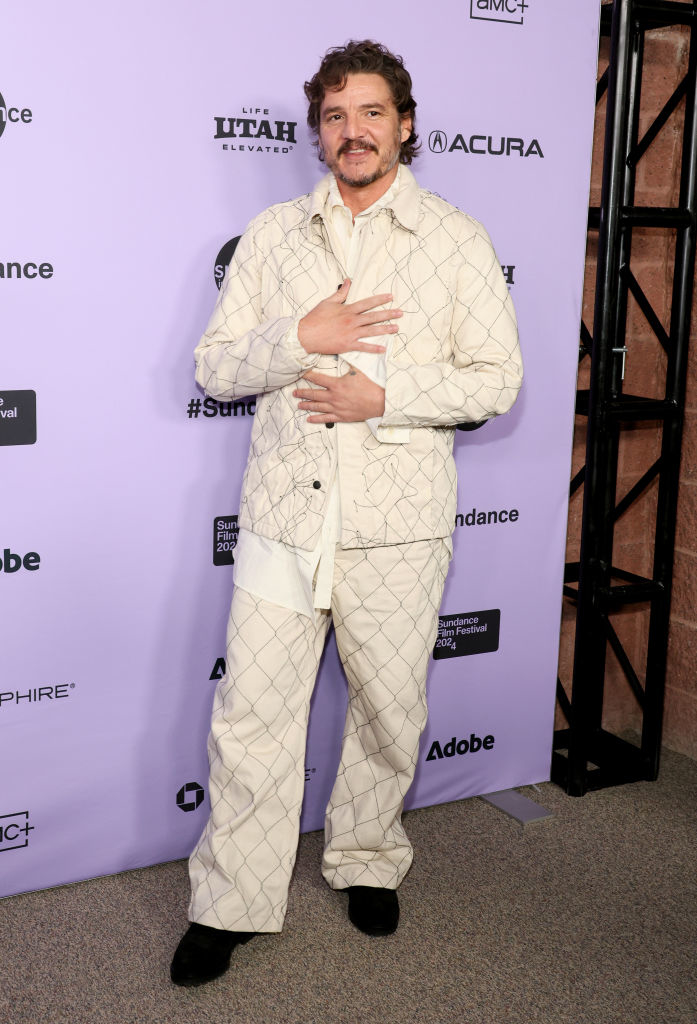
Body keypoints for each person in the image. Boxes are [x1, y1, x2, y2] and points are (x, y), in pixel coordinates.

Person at [171, 39, 522, 987]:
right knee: (251, 719)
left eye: (371, 112)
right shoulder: (275, 234)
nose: (352, 131)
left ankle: (367, 857)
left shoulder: (454, 237)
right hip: (286, 517)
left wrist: (385, 393)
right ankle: (230, 901)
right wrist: (300, 338)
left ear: (404, 124)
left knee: (389, 709)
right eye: (335, 115)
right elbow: (212, 366)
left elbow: (498, 378)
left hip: (397, 528)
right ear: (317, 131)